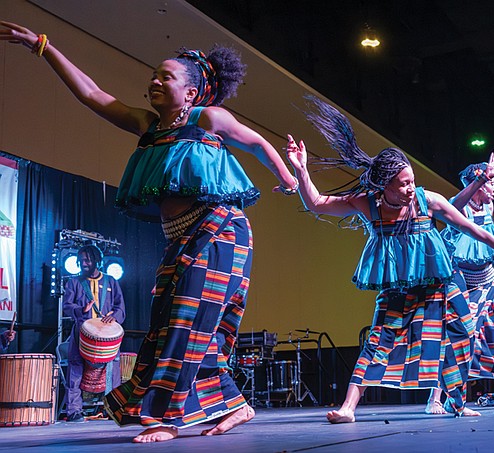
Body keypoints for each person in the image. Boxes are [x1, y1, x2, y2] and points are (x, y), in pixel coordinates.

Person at [0, 22, 297, 442]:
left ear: (191, 92)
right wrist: (44, 47)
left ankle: (168, 417)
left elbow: (257, 145)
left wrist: (287, 177)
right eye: (153, 76)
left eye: (165, 77)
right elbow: (93, 95)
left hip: (220, 228)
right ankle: (234, 404)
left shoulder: (208, 117)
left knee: (184, 320)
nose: (154, 81)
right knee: (168, 321)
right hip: (181, 235)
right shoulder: (148, 126)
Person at [286, 96, 494, 420]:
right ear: (386, 185)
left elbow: (466, 225)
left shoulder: (426, 200)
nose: (410, 188)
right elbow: (317, 203)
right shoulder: (368, 203)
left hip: (438, 284)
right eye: (404, 183)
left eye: (412, 182)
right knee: (379, 339)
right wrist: (302, 170)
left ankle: (457, 403)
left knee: (461, 335)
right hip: (397, 289)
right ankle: (348, 407)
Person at [425, 151, 494, 414]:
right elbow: (458, 203)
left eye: (493, 184)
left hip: (490, 276)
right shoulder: (455, 207)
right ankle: (435, 398)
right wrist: (483, 178)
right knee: (457, 339)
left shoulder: (489, 207)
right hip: (463, 278)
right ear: (477, 184)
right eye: (490, 184)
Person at [62, 244, 126, 423]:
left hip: (106, 334)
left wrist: (114, 317)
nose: (84, 263)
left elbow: (120, 307)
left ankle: (112, 409)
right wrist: (81, 309)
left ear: (97, 260)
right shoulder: (74, 282)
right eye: (81, 260)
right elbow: (67, 306)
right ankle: (74, 410)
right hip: (82, 332)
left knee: (112, 369)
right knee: (75, 368)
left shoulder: (111, 281)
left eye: (87, 259)